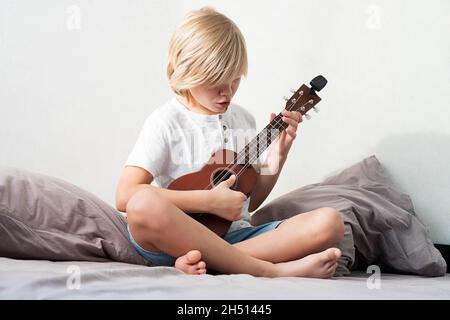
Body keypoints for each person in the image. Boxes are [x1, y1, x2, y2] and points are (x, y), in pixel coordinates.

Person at [115, 7, 344, 278]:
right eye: (215, 82)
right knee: (143, 205)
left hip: (237, 238)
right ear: (186, 73)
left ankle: (214, 262)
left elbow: (250, 201)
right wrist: (208, 202)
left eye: (234, 78)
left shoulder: (243, 120)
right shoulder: (165, 122)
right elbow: (125, 196)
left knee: (330, 223)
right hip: (175, 240)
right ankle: (268, 270)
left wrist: (278, 156)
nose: (227, 91)